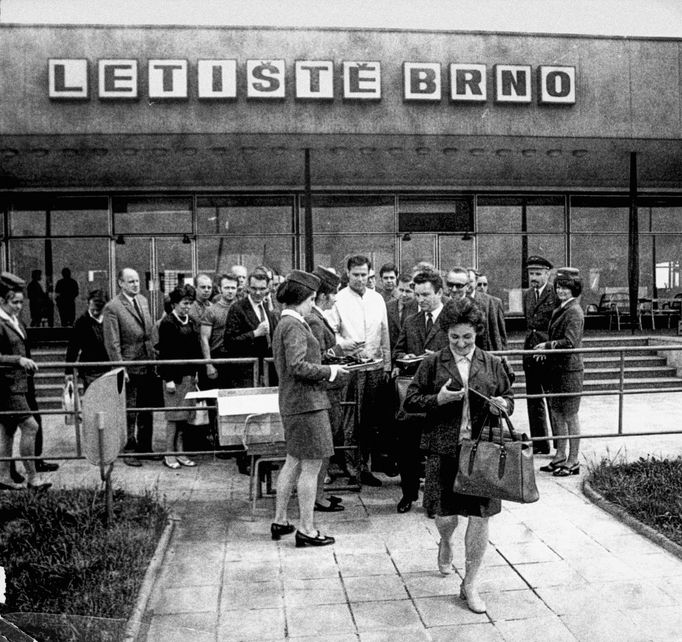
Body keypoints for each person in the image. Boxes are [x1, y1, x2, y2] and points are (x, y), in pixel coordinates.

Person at [404, 297, 514, 614]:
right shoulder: (433, 363)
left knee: (481, 518)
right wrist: (437, 398)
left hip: (482, 452)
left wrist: (503, 405)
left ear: (477, 332)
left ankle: (470, 584)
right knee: (445, 516)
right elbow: (410, 401)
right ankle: (446, 540)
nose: (462, 344)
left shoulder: (492, 363)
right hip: (444, 450)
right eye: (454, 337)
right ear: (446, 334)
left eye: (468, 337)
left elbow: (508, 396)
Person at [271, 270, 348, 547]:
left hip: (294, 403)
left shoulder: (286, 323)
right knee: (311, 468)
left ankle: (280, 520)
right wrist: (330, 371)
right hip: (307, 405)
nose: (312, 304)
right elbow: (297, 365)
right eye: (311, 298)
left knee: (293, 462)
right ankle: (307, 529)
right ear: (303, 298)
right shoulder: (294, 325)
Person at [327, 255, 391, 487]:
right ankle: (350, 466)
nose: (360, 279)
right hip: (350, 367)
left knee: (370, 419)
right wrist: (346, 344)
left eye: (364, 275)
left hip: (374, 366)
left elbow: (384, 332)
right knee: (350, 418)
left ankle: (364, 466)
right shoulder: (339, 300)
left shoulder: (377, 299)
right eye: (356, 275)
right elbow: (331, 331)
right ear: (347, 273)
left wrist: (387, 363)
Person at [392, 270, 449, 513]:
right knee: (407, 447)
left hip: (442, 394)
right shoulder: (411, 321)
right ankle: (408, 494)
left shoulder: (451, 320)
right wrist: (402, 357)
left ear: (439, 292)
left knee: (438, 450)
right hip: (412, 395)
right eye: (417, 295)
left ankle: (435, 500)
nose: (420, 300)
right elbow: (397, 351)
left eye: (426, 295)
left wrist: (436, 358)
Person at [0, 275, 52, 491]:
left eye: (22, 302)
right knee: (31, 426)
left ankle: (3, 477)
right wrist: (18, 360)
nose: (19, 306)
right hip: (7, 386)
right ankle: (32, 478)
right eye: (15, 302)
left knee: (8, 430)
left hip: (19, 384)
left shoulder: (15, 321)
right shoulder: (1, 323)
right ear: (2, 301)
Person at [103, 268, 159, 467]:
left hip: (147, 363)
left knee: (147, 407)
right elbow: (112, 342)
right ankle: (129, 449)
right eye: (131, 281)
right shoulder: (113, 307)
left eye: (137, 281)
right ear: (120, 283)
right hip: (129, 365)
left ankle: (146, 447)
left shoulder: (143, 301)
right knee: (131, 409)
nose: (136, 284)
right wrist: (121, 368)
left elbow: (149, 331)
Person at [534, 267, 584, 477]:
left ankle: (573, 461)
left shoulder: (574, 311)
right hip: (557, 370)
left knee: (570, 415)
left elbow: (570, 343)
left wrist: (547, 346)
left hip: (569, 371)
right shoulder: (562, 308)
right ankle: (560, 456)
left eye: (566, 288)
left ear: (575, 290)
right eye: (559, 287)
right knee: (557, 414)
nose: (562, 291)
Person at [307, 265, 347, 510]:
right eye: (333, 293)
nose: (335, 298)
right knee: (323, 448)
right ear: (323, 296)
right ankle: (318, 497)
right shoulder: (314, 320)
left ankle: (319, 493)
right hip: (325, 392)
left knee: (326, 446)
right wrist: (342, 350)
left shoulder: (317, 317)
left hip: (329, 391)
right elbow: (319, 357)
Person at [156, 284, 202, 470]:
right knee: (173, 418)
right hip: (174, 378)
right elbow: (164, 354)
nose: (187, 306)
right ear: (175, 303)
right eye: (184, 303)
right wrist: (168, 380)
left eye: (189, 303)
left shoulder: (190, 322)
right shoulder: (167, 323)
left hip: (188, 376)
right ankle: (169, 453)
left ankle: (181, 451)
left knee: (184, 418)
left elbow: (195, 349)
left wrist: (196, 373)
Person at [523, 256, 558, 455]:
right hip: (530, 351)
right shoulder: (528, 295)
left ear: (547, 274)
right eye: (531, 274)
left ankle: (558, 444)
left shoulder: (555, 294)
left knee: (552, 399)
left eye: (537, 274)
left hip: (547, 353)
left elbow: (557, 325)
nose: (533, 277)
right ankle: (540, 443)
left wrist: (548, 348)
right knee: (533, 398)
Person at [223, 270, 278, 388]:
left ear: (268, 289)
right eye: (254, 288)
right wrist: (255, 333)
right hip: (246, 373)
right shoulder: (237, 308)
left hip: (266, 370)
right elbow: (229, 342)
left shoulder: (266, 308)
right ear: (247, 287)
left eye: (262, 289)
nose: (258, 292)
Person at [64, 289, 109, 391]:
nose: (95, 312)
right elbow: (73, 348)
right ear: (88, 304)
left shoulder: (109, 319)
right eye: (93, 309)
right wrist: (68, 371)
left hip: (108, 367)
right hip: (90, 369)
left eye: (99, 309)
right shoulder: (81, 322)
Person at [201, 273, 238, 387]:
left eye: (233, 288)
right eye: (227, 287)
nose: (230, 291)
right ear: (219, 289)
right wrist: (209, 364)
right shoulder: (211, 311)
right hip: (218, 358)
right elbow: (204, 339)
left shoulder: (241, 309)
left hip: (237, 358)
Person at [386, 274, 418, 352]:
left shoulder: (419, 308)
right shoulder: (388, 306)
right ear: (396, 288)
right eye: (401, 290)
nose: (403, 294)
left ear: (415, 291)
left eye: (408, 291)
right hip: (393, 355)